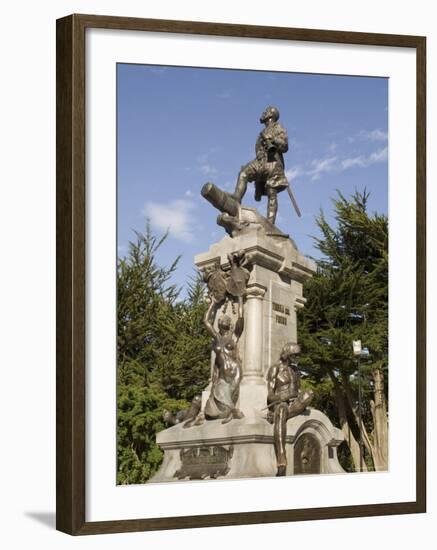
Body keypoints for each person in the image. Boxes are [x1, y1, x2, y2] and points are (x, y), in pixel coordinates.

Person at [232, 106, 289, 224]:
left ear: (271, 115)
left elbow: (284, 146)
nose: (264, 112)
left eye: (267, 111)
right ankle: (235, 200)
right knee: (243, 173)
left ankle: (270, 224)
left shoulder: (278, 127)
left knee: (271, 192)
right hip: (261, 162)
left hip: (274, 164)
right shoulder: (261, 133)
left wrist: (273, 139)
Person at [266, 343, 313, 476]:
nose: (296, 358)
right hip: (281, 403)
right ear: (287, 354)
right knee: (281, 410)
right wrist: (281, 396)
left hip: (295, 403)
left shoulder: (295, 371)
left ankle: (285, 413)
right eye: (294, 355)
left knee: (309, 394)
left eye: (297, 355)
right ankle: (281, 457)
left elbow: (298, 391)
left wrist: (298, 395)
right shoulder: (275, 369)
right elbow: (270, 396)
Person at [203, 298, 245, 424]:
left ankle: (232, 412)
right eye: (221, 319)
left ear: (230, 324)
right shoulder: (216, 337)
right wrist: (212, 304)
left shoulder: (234, 337)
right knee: (214, 402)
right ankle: (230, 412)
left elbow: (241, 318)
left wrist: (240, 299)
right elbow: (206, 321)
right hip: (221, 373)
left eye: (226, 320)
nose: (222, 320)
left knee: (229, 397)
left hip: (234, 371)